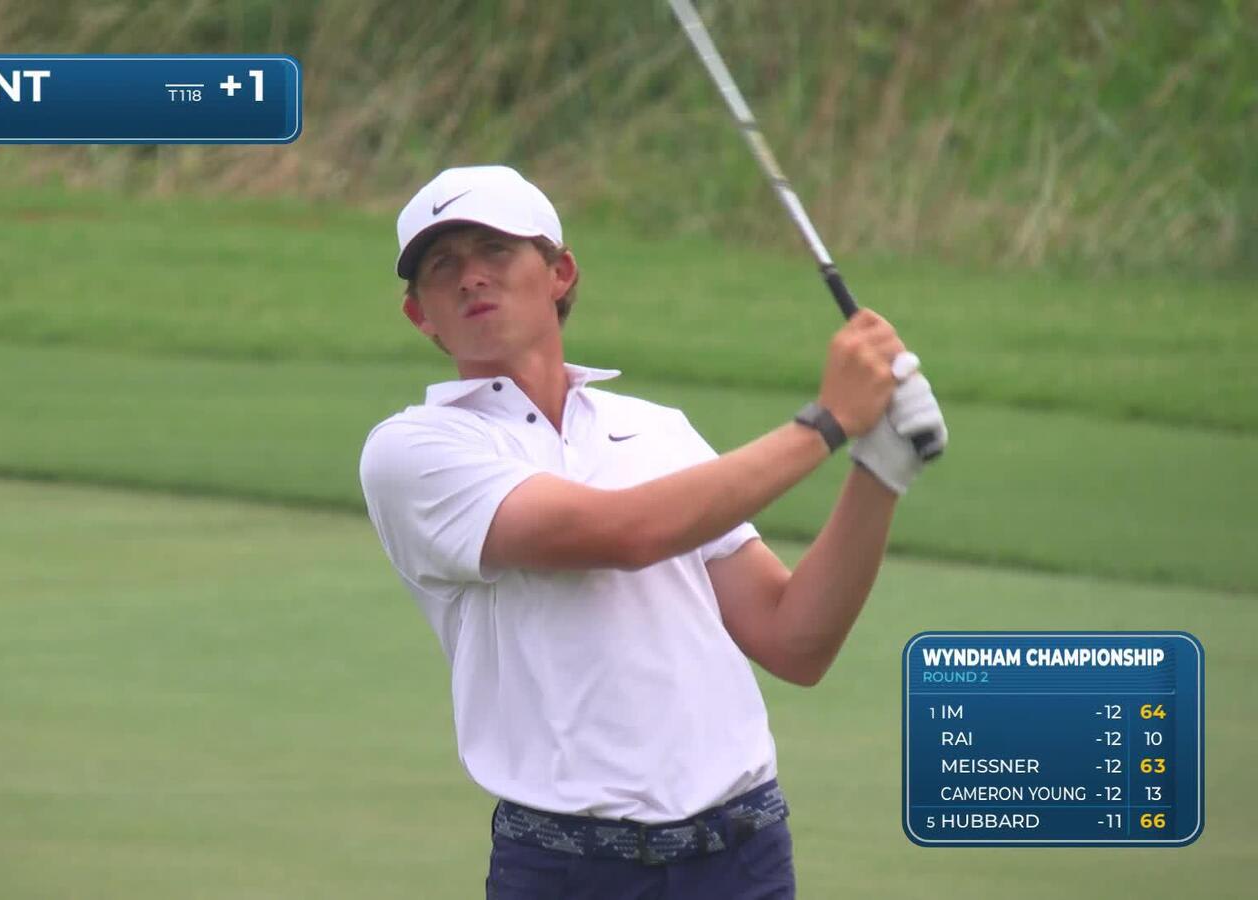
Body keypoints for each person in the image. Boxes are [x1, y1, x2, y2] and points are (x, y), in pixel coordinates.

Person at [358, 165, 947, 899]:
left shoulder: (658, 431)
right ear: (422, 316)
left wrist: (879, 470)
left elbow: (793, 639)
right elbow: (622, 533)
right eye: (443, 267)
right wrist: (827, 422)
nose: (472, 277)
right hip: (570, 869)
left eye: (496, 251)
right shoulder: (414, 451)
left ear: (560, 274)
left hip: (745, 853)